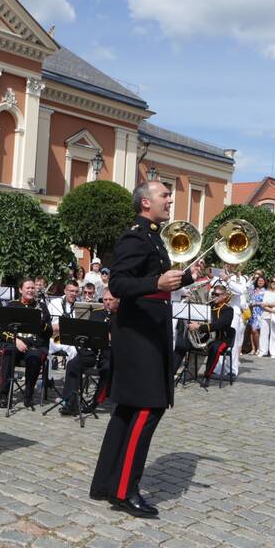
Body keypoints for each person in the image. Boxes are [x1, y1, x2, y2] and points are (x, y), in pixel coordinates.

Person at [90, 180, 198, 519]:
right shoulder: (135, 237)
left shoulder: (154, 237)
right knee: (148, 408)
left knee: (127, 410)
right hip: (138, 337)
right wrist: (156, 283)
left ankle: (106, 483)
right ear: (146, 203)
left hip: (147, 331)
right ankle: (124, 491)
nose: (170, 199)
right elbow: (119, 283)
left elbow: (156, 281)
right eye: (164, 195)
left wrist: (188, 278)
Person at [0, 278, 51, 408]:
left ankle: (28, 395)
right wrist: (16, 341)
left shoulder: (41, 307)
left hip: (34, 345)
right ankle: (3, 395)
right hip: (15, 343)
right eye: (28, 288)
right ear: (20, 290)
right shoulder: (12, 305)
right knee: (8, 353)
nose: (31, 290)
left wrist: (42, 323)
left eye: (33, 288)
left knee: (35, 357)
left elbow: (48, 332)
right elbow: (1, 331)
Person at [60, 290, 118, 416]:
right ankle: (70, 402)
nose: (107, 302)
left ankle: (95, 402)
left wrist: (111, 337)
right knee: (73, 364)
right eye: (105, 300)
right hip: (93, 352)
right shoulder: (96, 314)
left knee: (108, 369)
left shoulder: (122, 317)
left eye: (110, 300)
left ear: (117, 300)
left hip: (110, 354)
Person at [189, 283, 235, 386]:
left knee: (215, 348)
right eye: (213, 294)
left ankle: (207, 376)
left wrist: (200, 327)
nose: (214, 296)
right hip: (208, 336)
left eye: (217, 295)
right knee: (187, 344)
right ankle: (189, 372)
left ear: (224, 296)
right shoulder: (208, 306)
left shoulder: (228, 309)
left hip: (222, 338)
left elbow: (219, 325)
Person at [257, 278, 275, 358]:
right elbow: (263, 305)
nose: (273, 283)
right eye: (272, 281)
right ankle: (263, 351)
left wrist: (267, 304)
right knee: (263, 334)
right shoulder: (267, 292)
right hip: (266, 314)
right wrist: (271, 309)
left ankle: (274, 352)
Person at [247, 275, 266, 356]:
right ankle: (253, 349)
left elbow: (266, 302)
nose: (260, 282)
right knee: (252, 331)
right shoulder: (253, 290)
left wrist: (257, 303)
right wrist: (252, 279)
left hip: (260, 312)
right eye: (258, 280)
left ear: (265, 282)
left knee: (256, 331)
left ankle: (259, 348)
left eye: (262, 280)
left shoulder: (266, 291)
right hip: (252, 312)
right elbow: (247, 287)